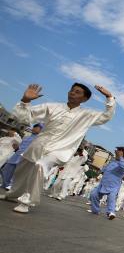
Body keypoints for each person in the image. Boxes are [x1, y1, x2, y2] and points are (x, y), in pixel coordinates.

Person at [0, 83, 115, 213]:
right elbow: (24, 117)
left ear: (85, 99)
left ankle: (26, 201)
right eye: (71, 90)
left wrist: (109, 97)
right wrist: (26, 100)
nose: (72, 93)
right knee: (23, 169)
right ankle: (13, 194)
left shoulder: (87, 115)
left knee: (40, 165)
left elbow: (106, 116)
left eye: (77, 92)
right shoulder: (52, 106)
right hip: (39, 145)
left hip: (60, 150)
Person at [88, 147, 124, 219]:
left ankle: (111, 213)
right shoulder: (112, 161)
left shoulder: (123, 164)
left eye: (119, 151)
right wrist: (100, 171)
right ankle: (95, 210)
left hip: (113, 186)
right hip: (103, 183)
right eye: (117, 151)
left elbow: (123, 167)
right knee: (94, 194)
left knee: (111, 198)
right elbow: (105, 169)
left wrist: (120, 157)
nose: (116, 152)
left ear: (122, 153)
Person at [1, 123, 43, 189]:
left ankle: (11, 185)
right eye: (35, 127)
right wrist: (16, 147)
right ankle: (5, 184)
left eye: (37, 128)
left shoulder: (39, 139)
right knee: (6, 169)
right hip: (16, 155)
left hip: (25, 157)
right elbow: (19, 147)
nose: (35, 128)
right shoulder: (26, 137)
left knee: (17, 173)